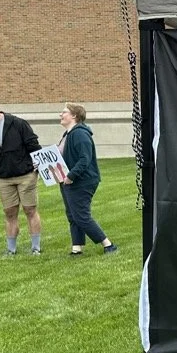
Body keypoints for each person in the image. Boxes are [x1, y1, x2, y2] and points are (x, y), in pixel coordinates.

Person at [0, 92, 43, 255]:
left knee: (30, 210)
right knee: (10, 213)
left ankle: (36, 248)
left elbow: (34, 145)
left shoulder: (17, 123)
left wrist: (40, 165)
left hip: (26, 175)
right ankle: (11, 250)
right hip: (4, 179)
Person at [58, 103, 118, 255]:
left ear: (74, 116)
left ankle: (108, 244)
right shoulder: (68, 134)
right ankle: (77, 248)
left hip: (82, 181)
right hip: (68, 180)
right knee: (72, 215)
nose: (60, 115)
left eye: (64, 112)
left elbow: (85, 159)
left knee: (81, 215)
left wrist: (71, 175)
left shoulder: (80, 134)